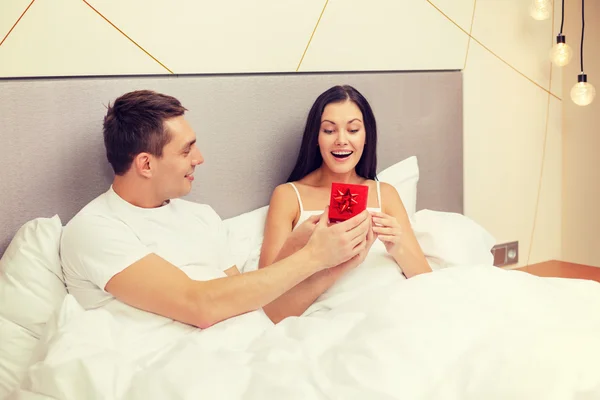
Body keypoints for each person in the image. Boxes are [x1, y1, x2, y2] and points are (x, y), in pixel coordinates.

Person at [60, 89, 373, 329]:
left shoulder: (201, 217)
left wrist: (330, 261)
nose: (199, 158)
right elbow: (200, 305)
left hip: (243, 351)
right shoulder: (95, 229)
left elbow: (259, 310)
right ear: (145, 164)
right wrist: (313, 256)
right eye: (186, 150)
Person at [258, 85, 431, 323]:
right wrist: (325, 259)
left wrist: (397, 245)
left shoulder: (386, 194)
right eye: (329, 130)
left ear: (366, 136)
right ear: (316, 138)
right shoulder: (289, 196)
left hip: (396, 311)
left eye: (353, 129)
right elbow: (264, 298)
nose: (342, 140)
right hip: (332, 321)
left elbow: (429, 283)